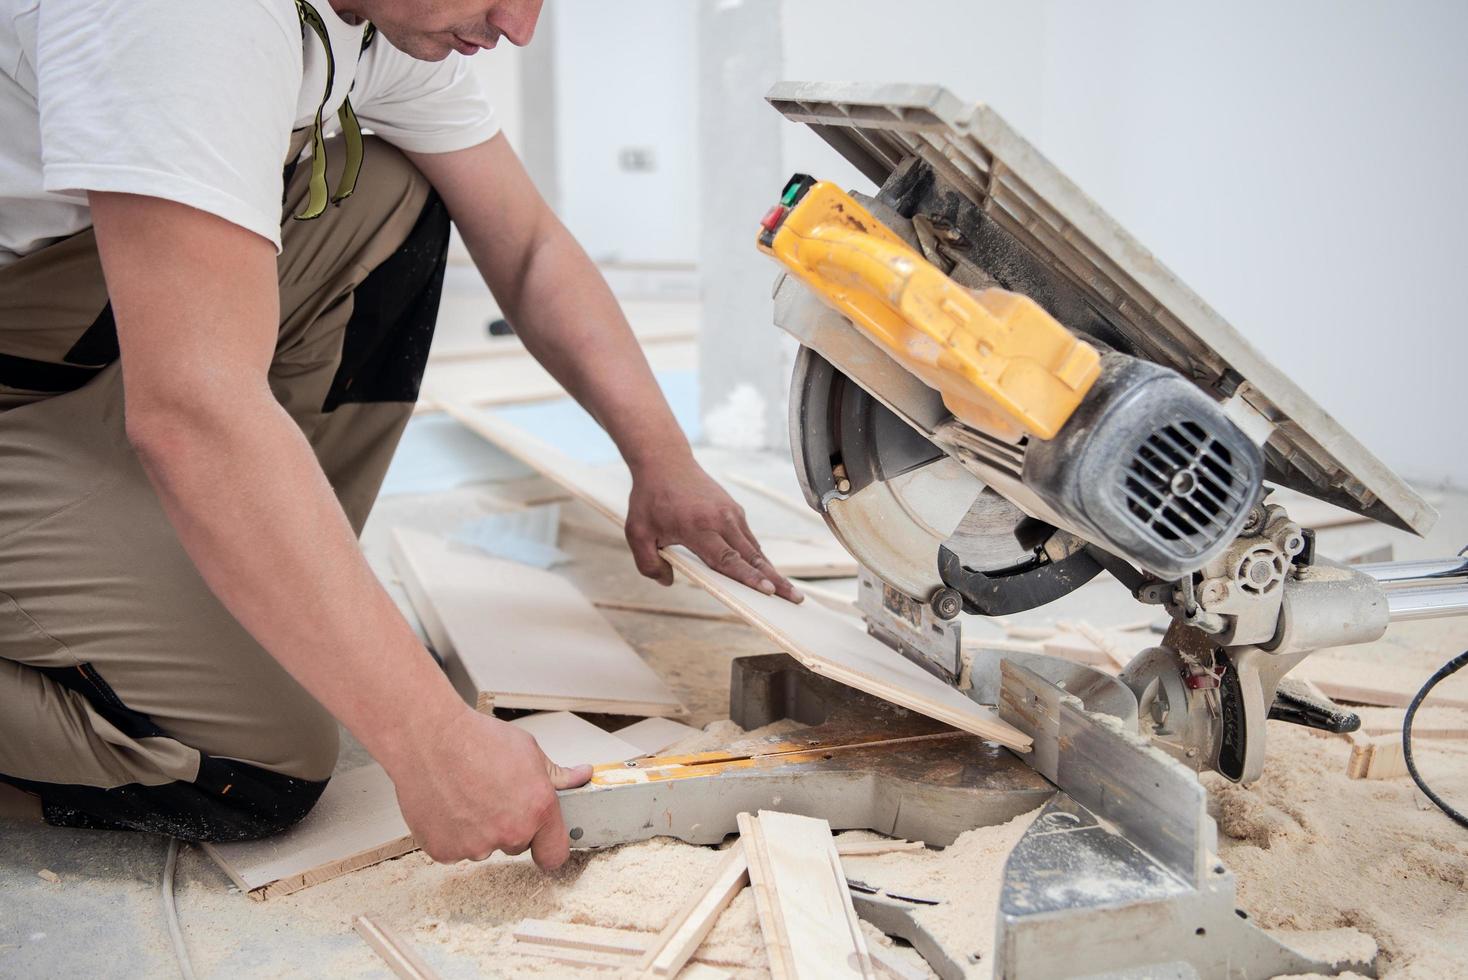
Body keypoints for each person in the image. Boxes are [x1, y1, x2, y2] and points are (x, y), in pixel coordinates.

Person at [0, 0, 801, 870]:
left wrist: (661, 458)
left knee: (386, 193)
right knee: (251, 762)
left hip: (64, 345)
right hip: (43, 365)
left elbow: (527, 244)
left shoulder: (377, 24)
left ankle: (219, 561)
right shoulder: (189, 17)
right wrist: (427, 737)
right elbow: (192, 412)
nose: (519, 27)